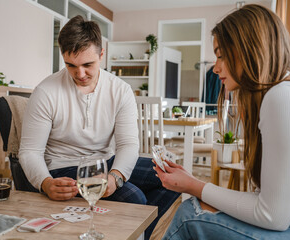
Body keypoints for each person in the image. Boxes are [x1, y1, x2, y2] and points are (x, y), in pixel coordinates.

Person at [156, 4, 290, 240]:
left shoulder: (285, 97)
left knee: (190, 215)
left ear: (250, 50)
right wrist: (193, 183)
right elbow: (269, 205)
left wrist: (193, 186)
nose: (215, 67)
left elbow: (274, 216)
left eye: (221, 55)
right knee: (197, 207)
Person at [19, 15, 180, 239]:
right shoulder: (46, 92)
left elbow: (128, 144)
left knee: (173, 177)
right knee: (135, 199)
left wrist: (115, 177)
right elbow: (29, 152)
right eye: (71, 65)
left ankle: (134, 235)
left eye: (88, 64)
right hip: (63, 168)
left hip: (105, 163)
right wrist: (45, 183)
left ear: (101, 55)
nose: (80, 74)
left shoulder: (120, 90)